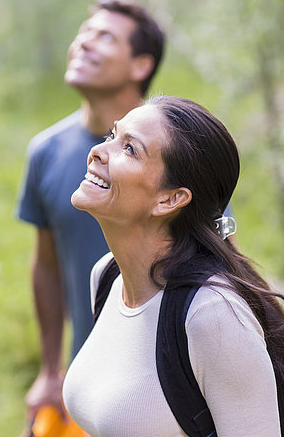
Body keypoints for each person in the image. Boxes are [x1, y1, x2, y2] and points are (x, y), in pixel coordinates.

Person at [63, 96, 284, 437]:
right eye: (112, 135)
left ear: (170, 199)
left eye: (130, 149)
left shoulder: (213, 316)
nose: (98, 151)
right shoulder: (107, 276)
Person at [17, 0, 166, 420]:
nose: (83, 42)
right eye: (84, 32)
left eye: (104, 37)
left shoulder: (176, 152)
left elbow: (217, 259)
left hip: (168, 384)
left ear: (141, 65)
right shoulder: (46, 151)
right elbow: (46, 266)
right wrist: (50, 370)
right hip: (89, 378)